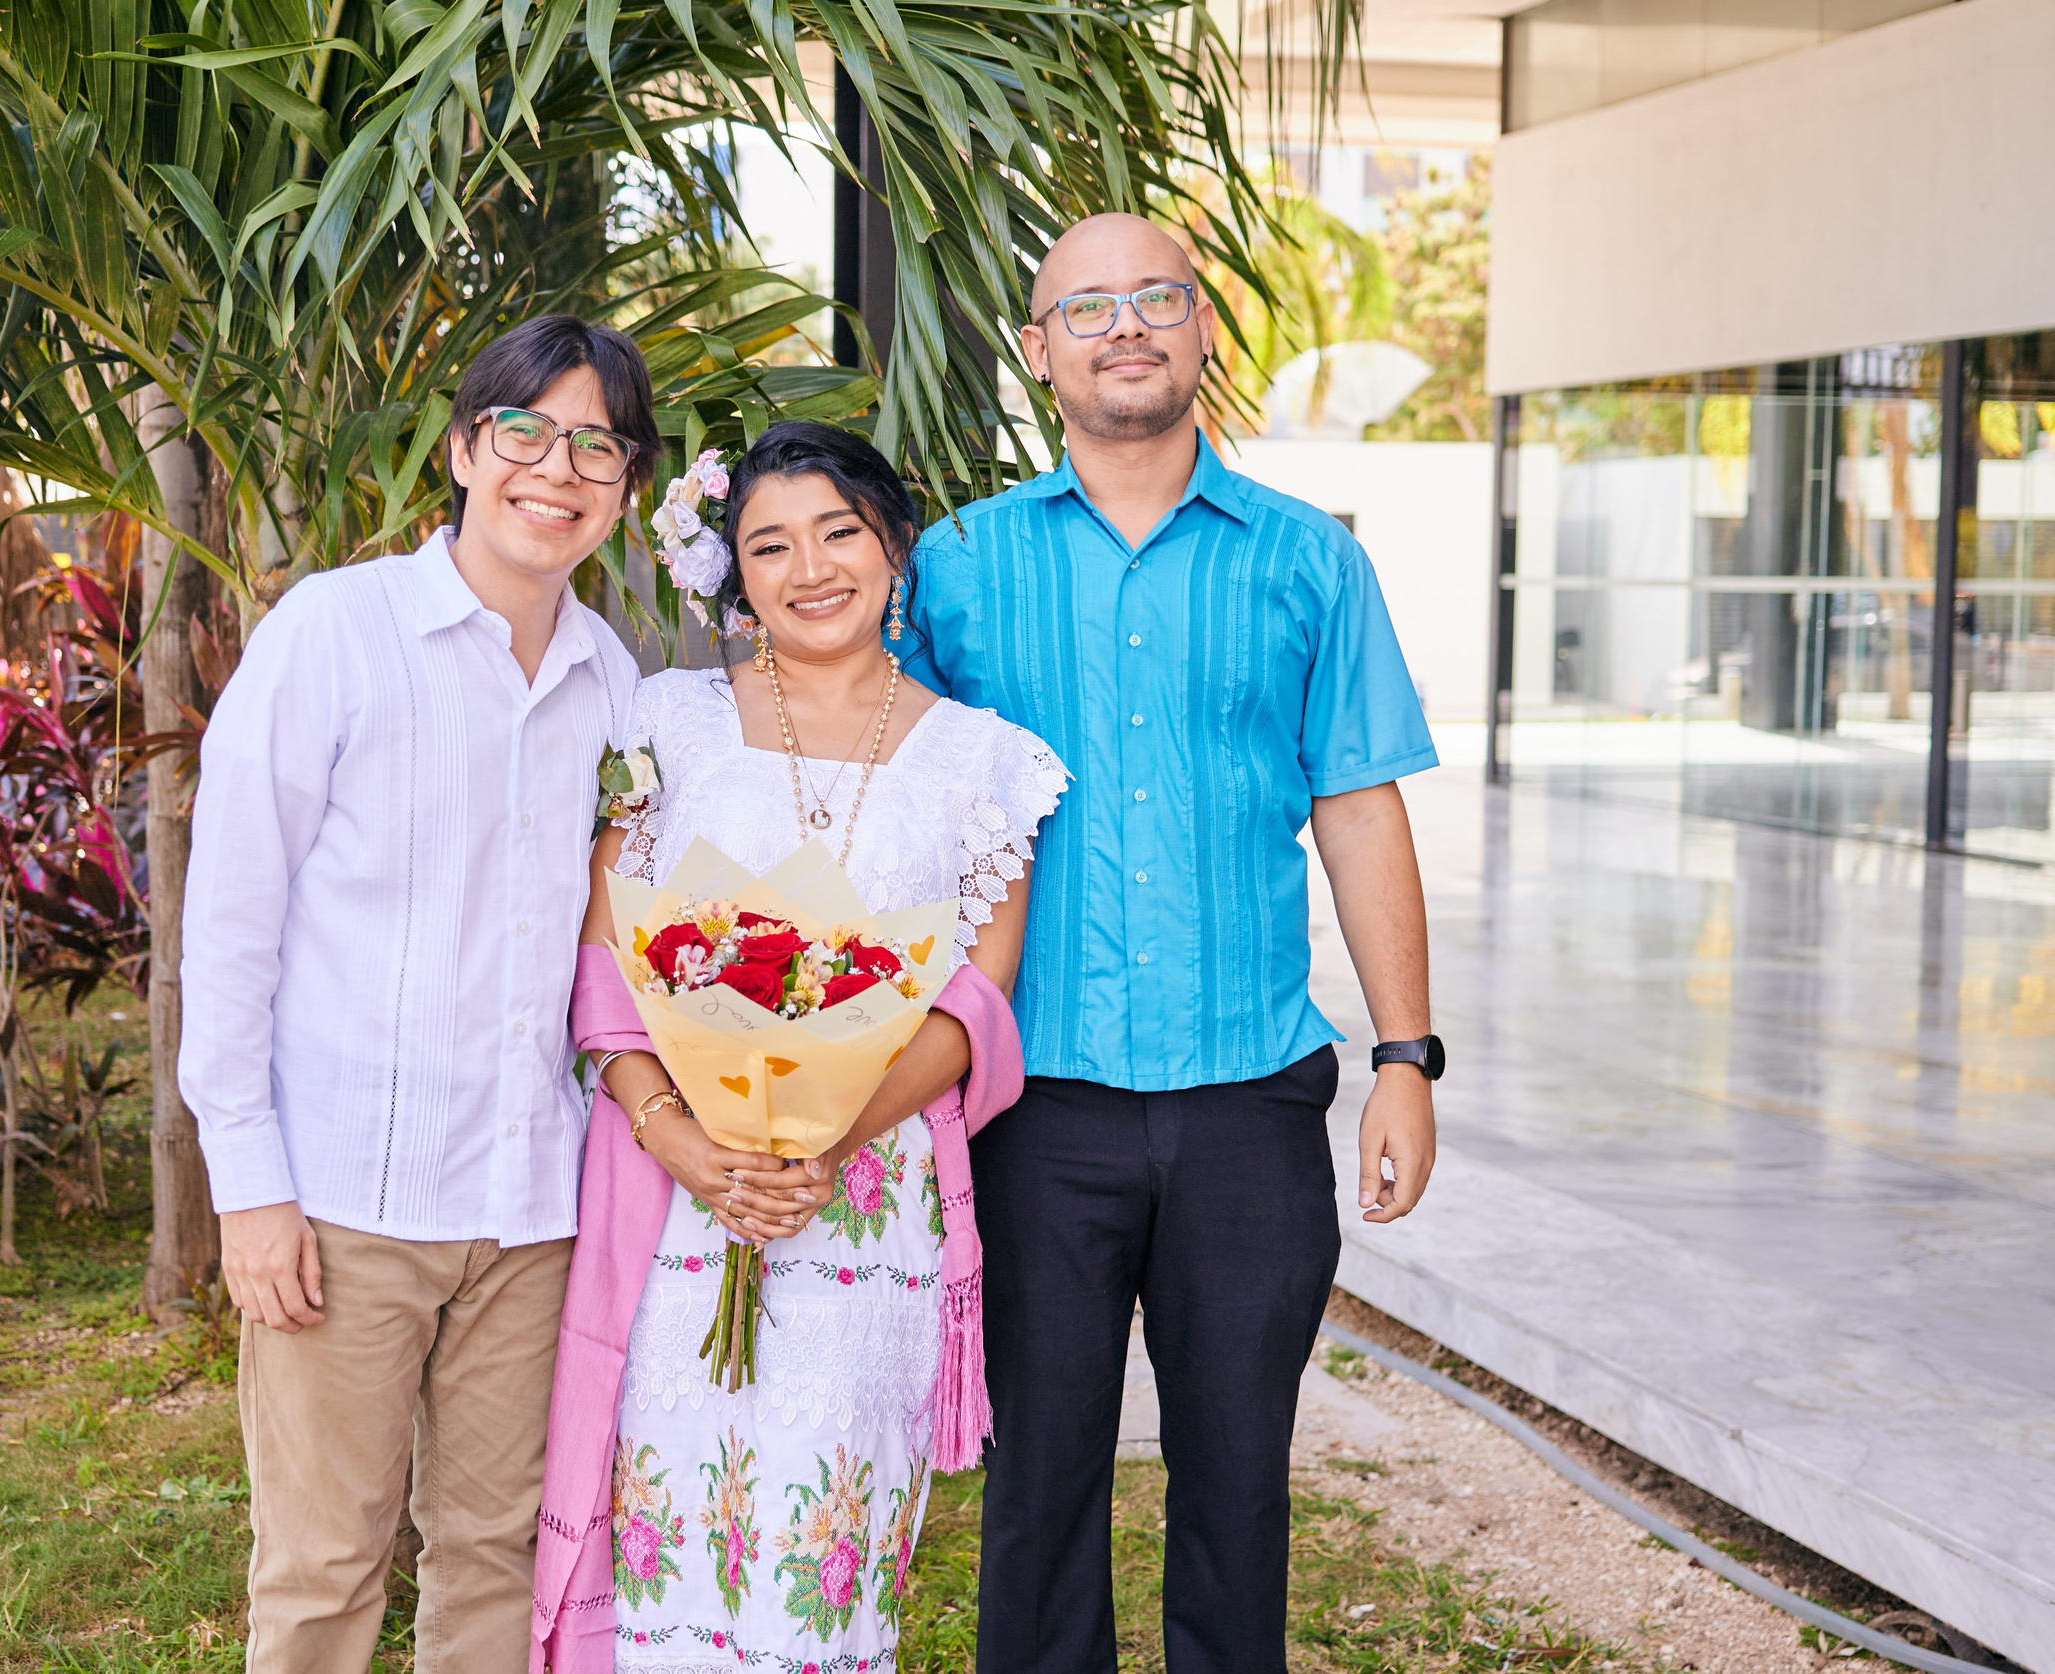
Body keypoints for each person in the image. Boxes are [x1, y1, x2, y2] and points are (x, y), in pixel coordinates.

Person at [902, 212, 1443, 1672]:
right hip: (1029, 1107)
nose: (1125, 326)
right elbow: (881, 797)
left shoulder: (1309, 562)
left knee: (1237, 1489)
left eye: (1156, 297)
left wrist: (1405, 1058)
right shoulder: (955, 567)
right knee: (1037, 1492)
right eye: (1087, 308)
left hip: (1249, 1106)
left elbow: (1359, 805)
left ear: (1206, 328)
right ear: (1038, 351)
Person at [529, 421, 1070, 1673]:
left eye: (839, 532)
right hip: (675, 1200)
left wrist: (821, 1136)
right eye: (769, 545)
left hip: (865, 1209)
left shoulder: (987, 763)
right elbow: (606, 960)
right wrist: (684, 1137)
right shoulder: (670, 720)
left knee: (821, 1555)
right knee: (667, 1537)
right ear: (734, 573)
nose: (810, 568)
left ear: (894, 545)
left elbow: (973, 1005)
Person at [178, 314, 658, 1673]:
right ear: (460, 450)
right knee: (324, 1565)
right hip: (345, 1201)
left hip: (532, 1207)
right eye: (525, 432)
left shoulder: (616, 684)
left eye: (596, 447)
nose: (556, 470)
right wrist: (248, 1183)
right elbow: (232, 922)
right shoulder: (335, 633)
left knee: (498, 1552)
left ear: (627, 487)